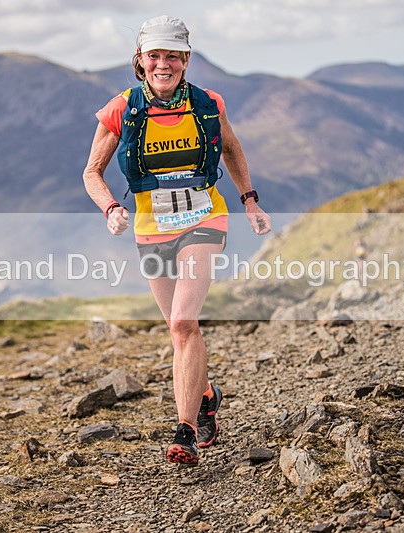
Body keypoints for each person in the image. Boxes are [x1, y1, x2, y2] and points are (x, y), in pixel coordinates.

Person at [83, 15, 271, 464]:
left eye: (173, 56)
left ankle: (184, 430)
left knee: (184, 323)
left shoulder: (208, 104)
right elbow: (92, 172)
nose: (163, 64)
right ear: (140, 59)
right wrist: (110, 208)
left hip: (205, 220)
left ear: (186, 60)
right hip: (151, 230)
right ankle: (205, 395)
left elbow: (232, 148)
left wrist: (249, 200)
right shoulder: (122, 109)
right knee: (177, 330)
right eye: (155, 55)